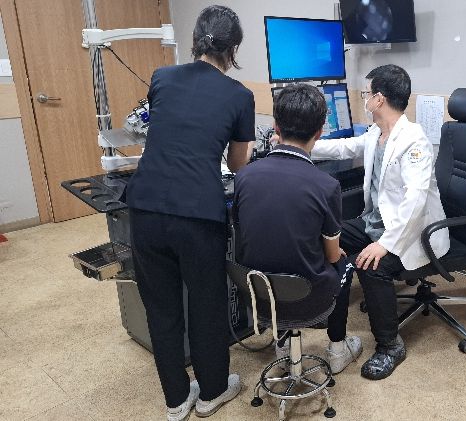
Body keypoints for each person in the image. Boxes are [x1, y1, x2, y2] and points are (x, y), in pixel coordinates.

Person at [126, 6, 252, 420]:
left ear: (196, 40)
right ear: (233, 49)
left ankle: (177, 400)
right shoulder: (240, 95)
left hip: (145, 207)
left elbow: (161, 127)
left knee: (161, 308)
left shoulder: (162, 77)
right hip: (198, 213)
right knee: (205, 304)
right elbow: (238, 165)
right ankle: (212, 391)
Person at [310, 64, 450, 380]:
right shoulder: (377, 133)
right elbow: (344, 147)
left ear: (379, 99)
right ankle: (330, 321)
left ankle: (390, 346)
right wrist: (300, 145)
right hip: (376, 221)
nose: (365, 98)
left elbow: (415, 202)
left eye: (367, 92)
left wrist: (384, 244)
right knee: (328, 236)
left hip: (412, 232)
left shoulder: (414, 140)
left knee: (371, 264)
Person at [233, 84, 362, 374]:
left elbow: (246, 233)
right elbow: (332, 256)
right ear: (320, 132)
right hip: (308, 300)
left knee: (271, 251)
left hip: (258, 295)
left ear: (276, 128)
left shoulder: (244, 176)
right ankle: (338, 350)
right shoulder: (326, 186)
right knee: (344, 263)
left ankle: (282, 346)